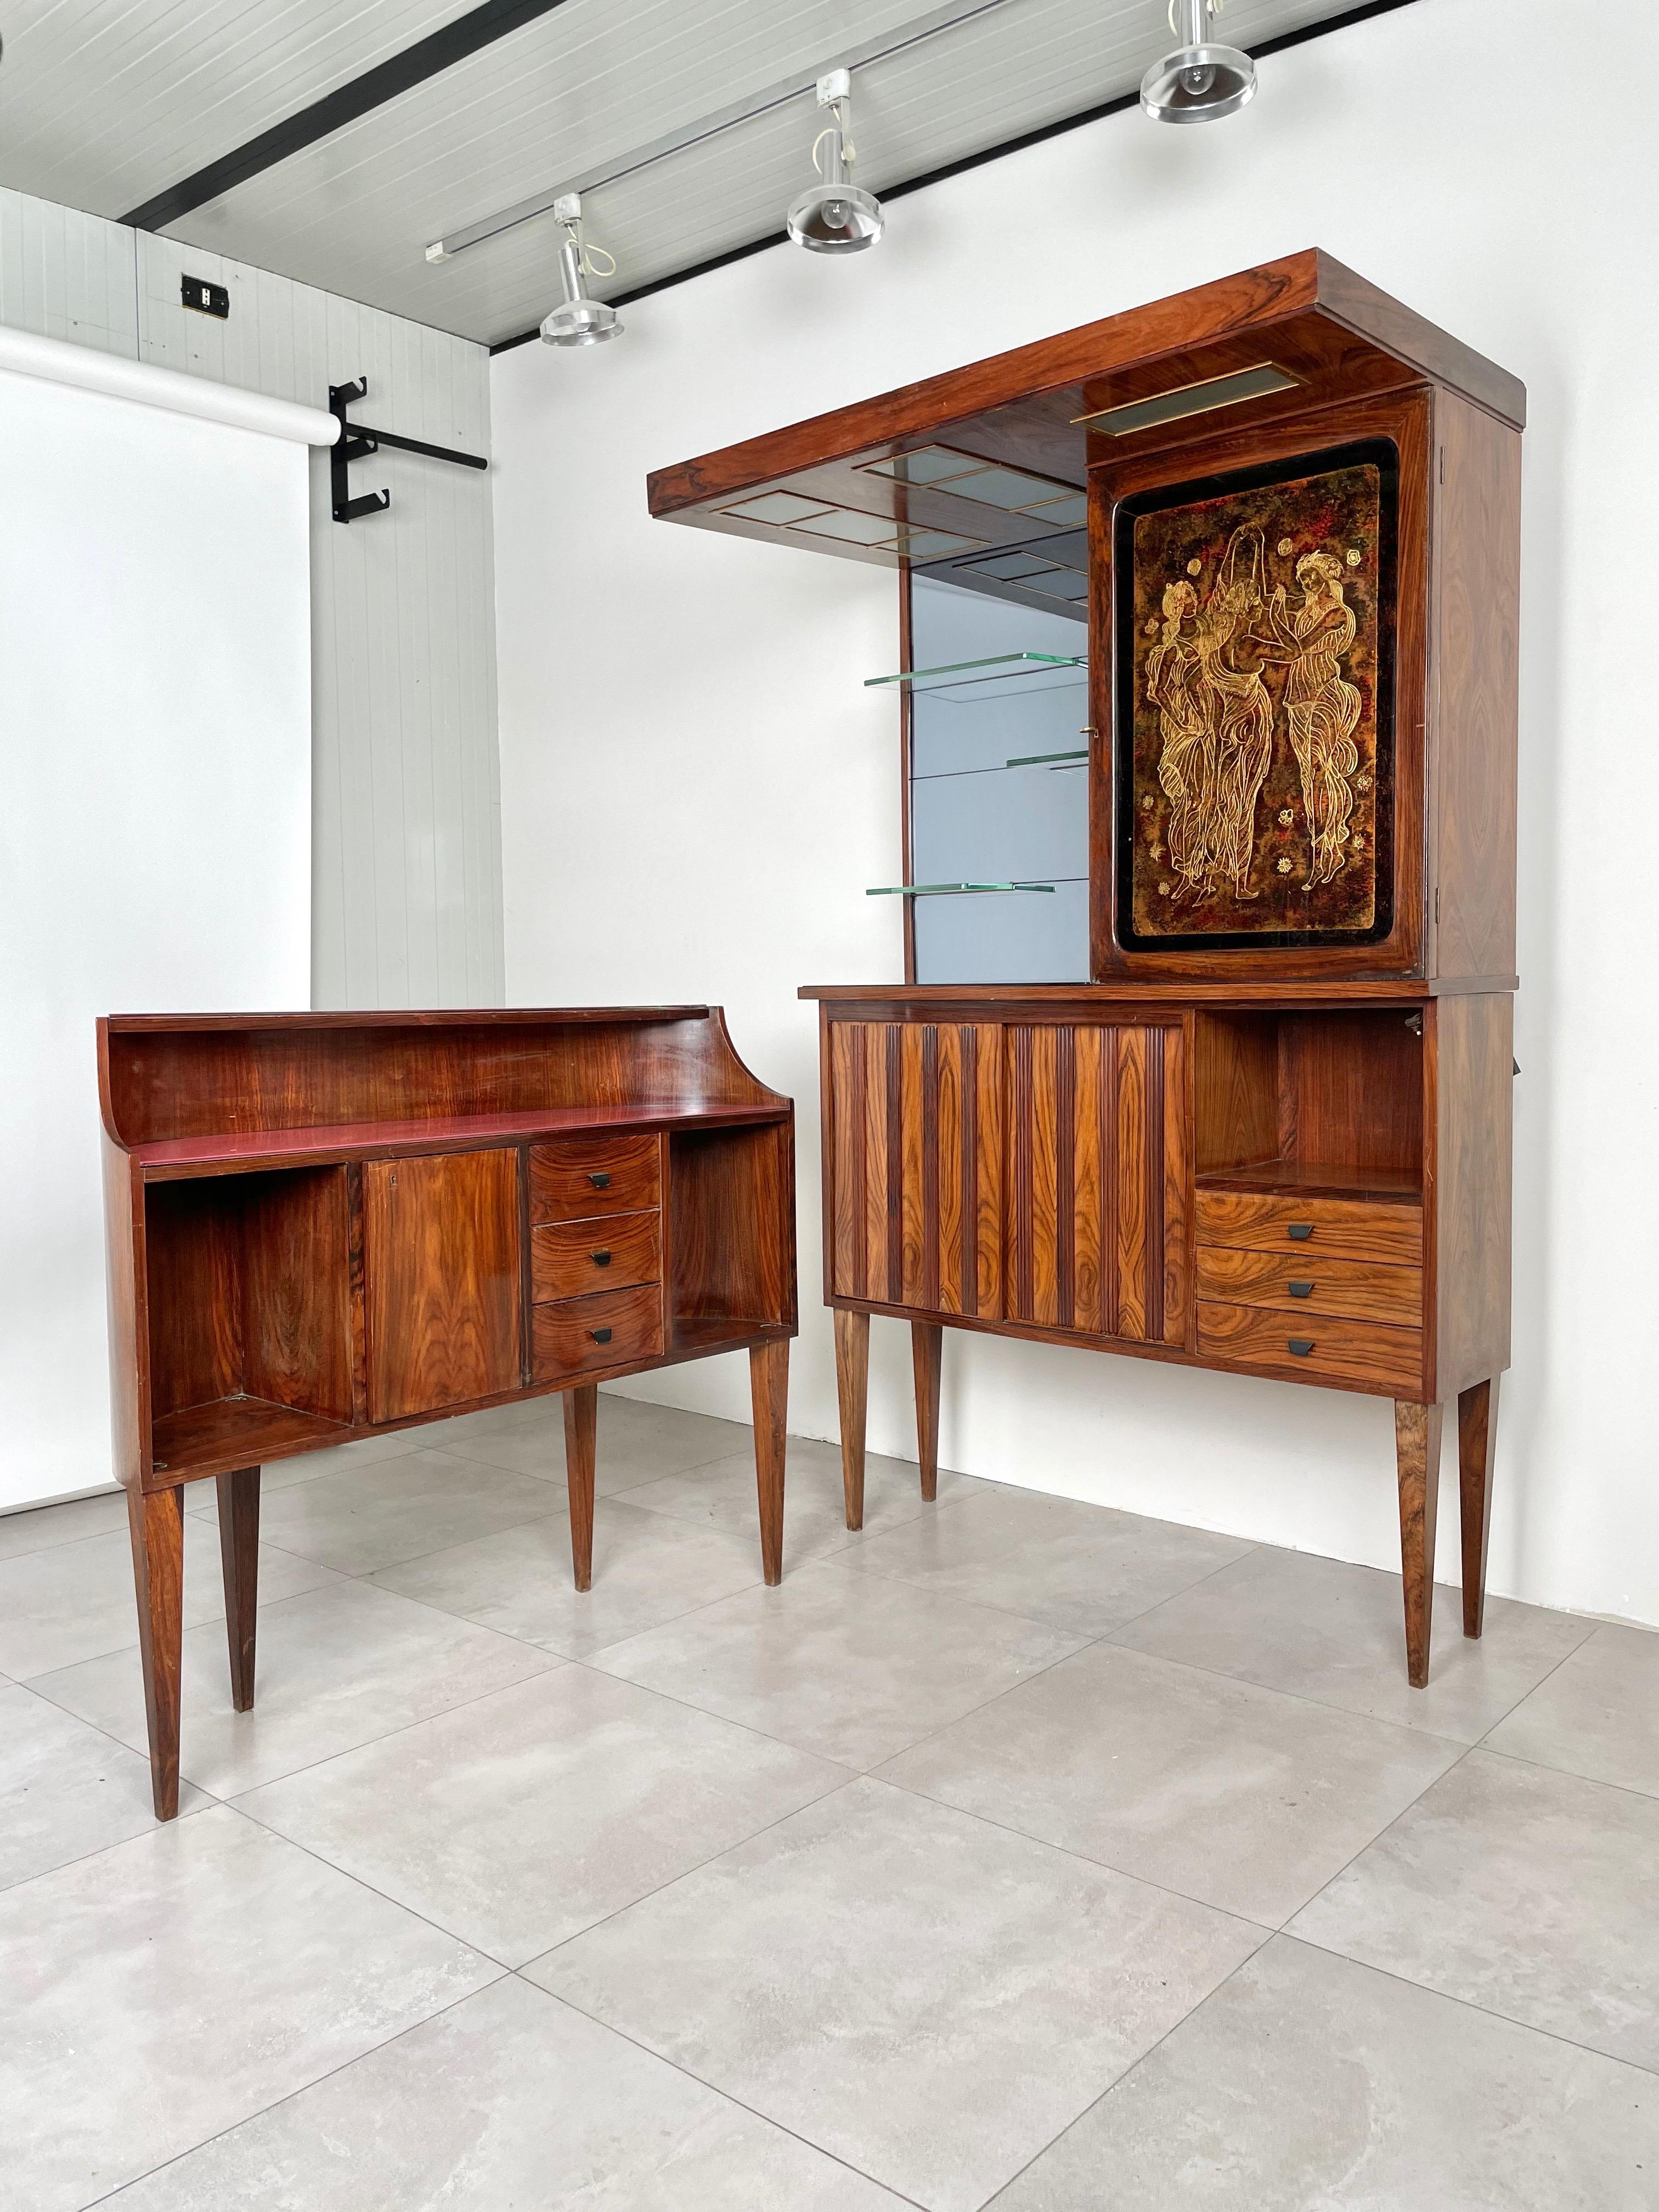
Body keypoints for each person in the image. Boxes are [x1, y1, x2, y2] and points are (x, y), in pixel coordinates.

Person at [1255, 549, 1362, 888]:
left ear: (1326, 576)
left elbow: (1297, 647)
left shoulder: (1338, 614)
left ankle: (1329, 846)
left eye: (1311, 576)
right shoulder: (1304, 611)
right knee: (1307, 775)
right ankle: (1323, 851)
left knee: (1320, 770)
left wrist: (1270, 622)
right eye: (1302, 579)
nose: (1306, 582)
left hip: (1323, 694)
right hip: (1299, 697)